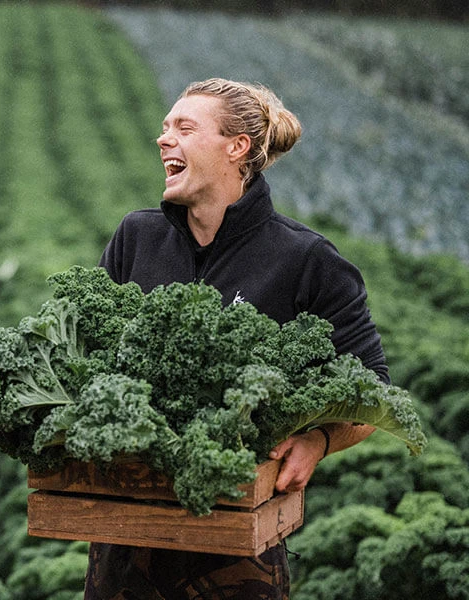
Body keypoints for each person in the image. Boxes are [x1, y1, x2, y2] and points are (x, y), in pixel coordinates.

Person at [85, 78, 387, 599]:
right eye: (165, 127)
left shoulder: (305, 259)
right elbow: (87, 355)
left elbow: (374, 390)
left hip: (236, 548)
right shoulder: (136, 238)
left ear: (237, 147)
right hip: (126, 536)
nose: (163, 138)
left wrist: (318, 441)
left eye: (184, 127)